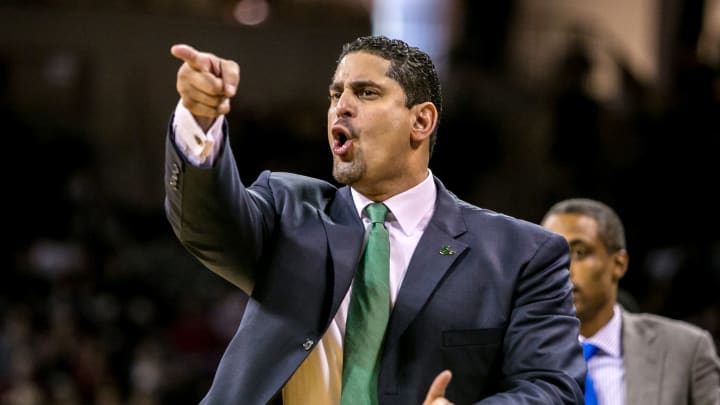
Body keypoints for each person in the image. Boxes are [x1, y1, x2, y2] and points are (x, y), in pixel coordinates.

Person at [164, 35, 585, 404]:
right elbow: (207, 224)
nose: (340, 107)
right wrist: (200, 121)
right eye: (334, 94)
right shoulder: (288, 209)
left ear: (421, 121)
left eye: (365, 92)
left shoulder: (522, 254)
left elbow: (552, 386)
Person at [541, 198, 720, 405]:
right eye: (551, 255)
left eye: (579, 252)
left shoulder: (685, 349)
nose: (563, 269)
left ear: (619, 264)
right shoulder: (516, 355)